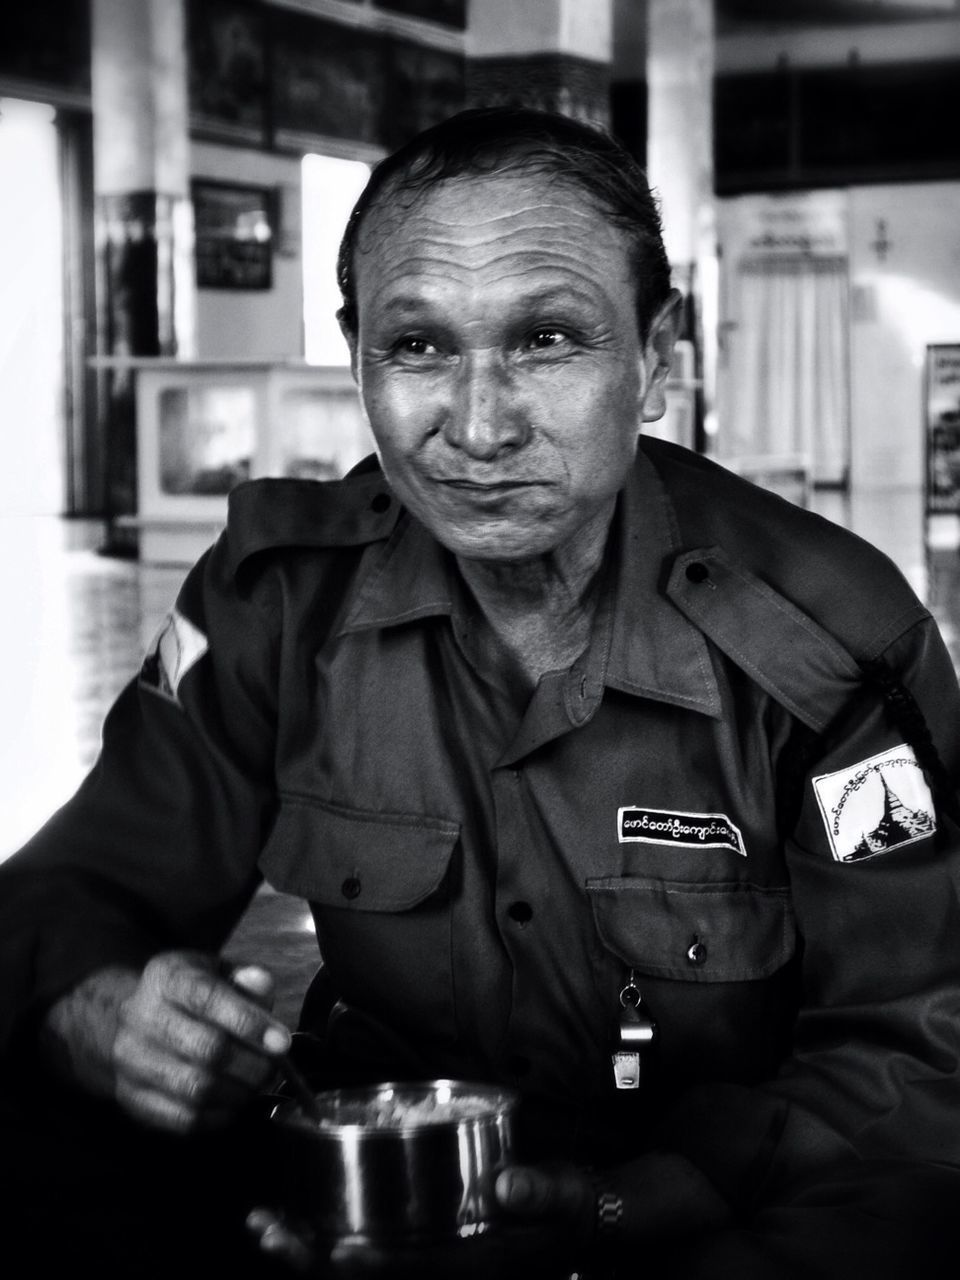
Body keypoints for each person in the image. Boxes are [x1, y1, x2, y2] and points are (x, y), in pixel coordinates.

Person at [2, 104, 960, 1280]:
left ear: (657, 360)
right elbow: (67, 892)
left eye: (550, 338)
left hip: (716, 1208)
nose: (479, 424)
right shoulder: (278, 604)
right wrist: (107, 1008)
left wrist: (636, 1206)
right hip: (371, 1193)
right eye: (418, 348)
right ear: (356, 352)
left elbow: (920, 1044)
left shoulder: (826, 639)